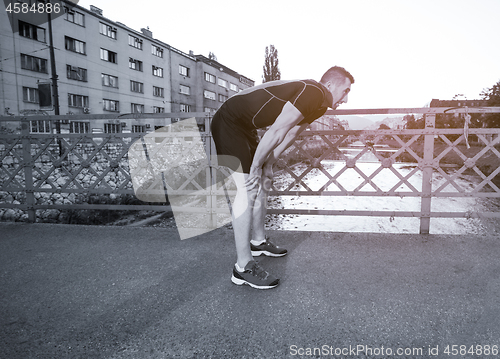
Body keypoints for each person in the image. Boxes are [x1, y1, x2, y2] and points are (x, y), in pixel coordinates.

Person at [210, 66, 354, 289]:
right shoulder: (314, 92)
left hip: (245, 126)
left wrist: (269, 162)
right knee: (246, 189)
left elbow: (291, 132)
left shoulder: (320, 106)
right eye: (345, 91)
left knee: (264, 183)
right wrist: (257, 164)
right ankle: (243, 267)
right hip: (228, 121)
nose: (346, 99)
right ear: (330, 85)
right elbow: (276, 131)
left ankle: (258, 241)